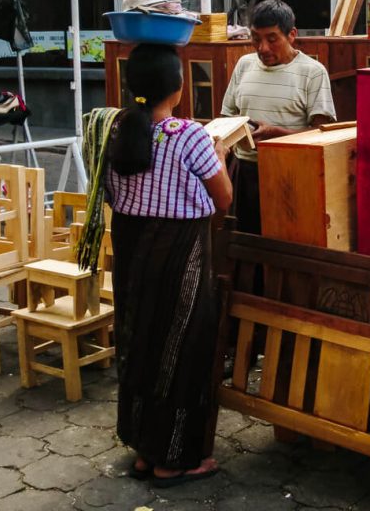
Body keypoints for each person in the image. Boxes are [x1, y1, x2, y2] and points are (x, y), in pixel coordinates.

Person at [105, 44, 232, 486]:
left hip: (133, 253)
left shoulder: (116, 127)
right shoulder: (189, 135)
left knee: (141, 342)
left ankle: (144, 449)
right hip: (180, 258)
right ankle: (173, 458)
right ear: (177, 88)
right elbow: (224, 198)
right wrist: (217, 151)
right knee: (182, 350)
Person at [220, 0, 336, 233]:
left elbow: (321, 137)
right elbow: (226, 117)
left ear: (291, 34)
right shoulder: (244, 65)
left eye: (272, 39)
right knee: (246, 243)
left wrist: (276, 134)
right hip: (246, 172)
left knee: (284, 241)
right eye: (256, 39)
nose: (262, 48)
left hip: (290, 174)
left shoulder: (312, 73)